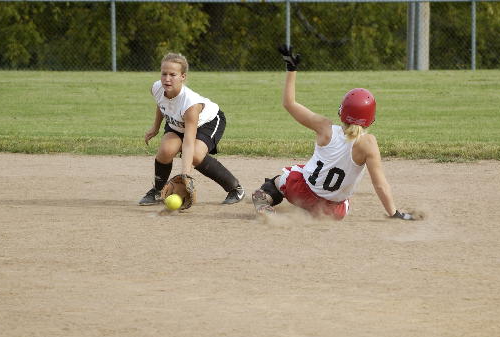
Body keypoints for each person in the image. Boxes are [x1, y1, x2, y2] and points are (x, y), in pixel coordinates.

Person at [251, 45, 414, 221]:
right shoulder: (368, 144)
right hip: (332, 211)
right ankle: (312, 212)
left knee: (280, 179)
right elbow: (380, 185)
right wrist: (394, 213)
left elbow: (289, 104)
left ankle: (264, 199)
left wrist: (292, 69)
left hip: (300, 192)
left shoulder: (325, 128)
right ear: (370, 118)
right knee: (345, 202)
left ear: (342, 111)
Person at [139, 52, 245, 206]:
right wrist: (155, 127)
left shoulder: (190, 104)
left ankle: (235, 188)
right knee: (166, 150)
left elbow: (188, 143)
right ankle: (158, 191)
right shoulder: (157, 88)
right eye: (164, 73)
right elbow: (162, 105)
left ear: (183, 77)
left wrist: (185, 176)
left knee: (195, 155)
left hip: (207, 122)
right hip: (178, 122)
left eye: (173, 75)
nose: (167, 78)